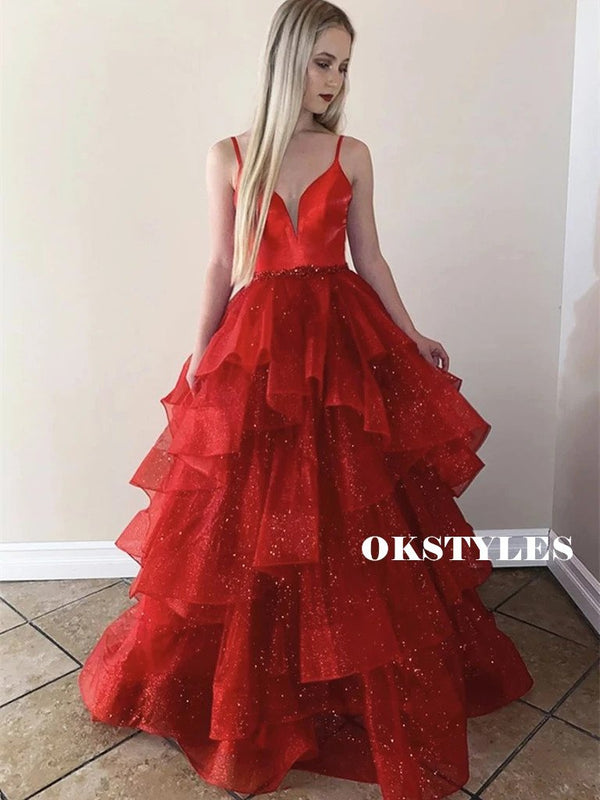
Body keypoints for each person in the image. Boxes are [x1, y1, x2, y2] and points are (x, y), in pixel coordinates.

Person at [78, 2, 534, 798]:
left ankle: (345, 673)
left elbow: (371, 258)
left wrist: (411, 332)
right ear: (287, 59)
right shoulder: (228, 155)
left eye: (344, 65)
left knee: (351, 502)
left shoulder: (352, 153)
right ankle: (265, 680)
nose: (335, 79)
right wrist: (200, 352)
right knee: (249, 515)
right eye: (323, 61)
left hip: (342, 341)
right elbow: (221, 263)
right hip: (258, 343)